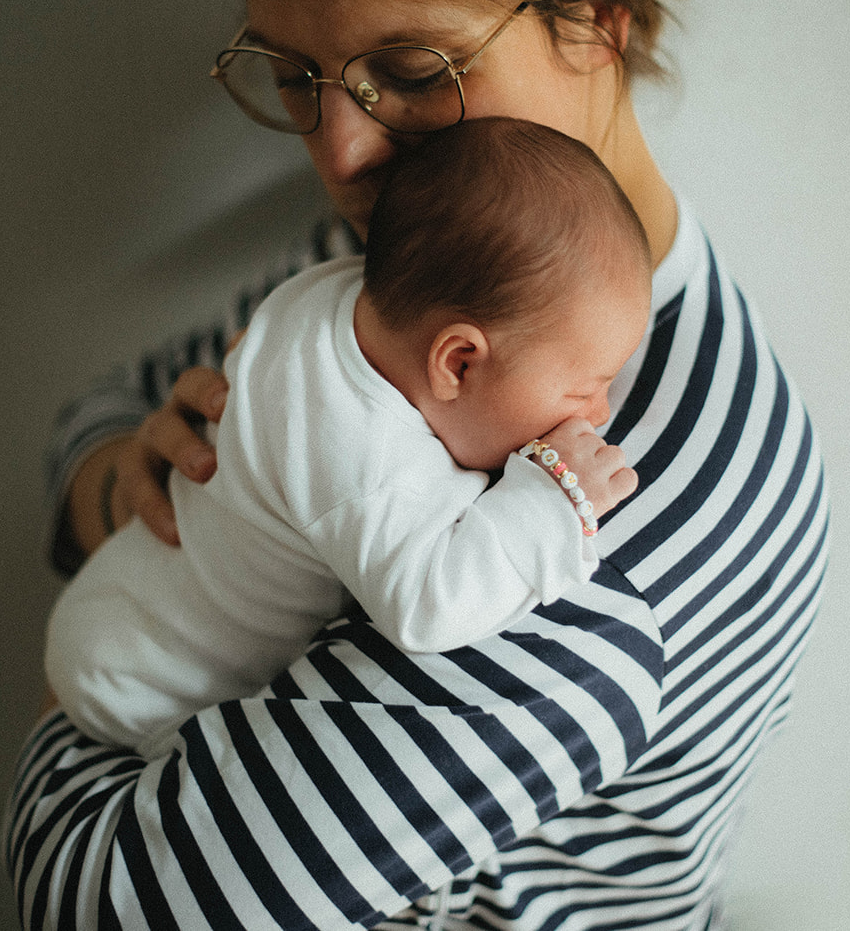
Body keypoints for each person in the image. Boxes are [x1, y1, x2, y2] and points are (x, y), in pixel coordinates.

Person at [6, 0, 831, 927]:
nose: (342, 154)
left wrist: (82, 676)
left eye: (412, 68)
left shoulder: (601, 529)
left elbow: (96, 902)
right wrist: (129, 491)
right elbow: (113, 405)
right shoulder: (416, 254)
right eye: (296, 78)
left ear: (598, 6)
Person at [45, 117, 652, 760]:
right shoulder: (365, 464)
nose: (600, 411)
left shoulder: (338, 292)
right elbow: (428, 607)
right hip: (147, 676)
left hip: (120, 596)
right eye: (584, 389)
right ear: (457, 364)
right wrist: (552, 500)